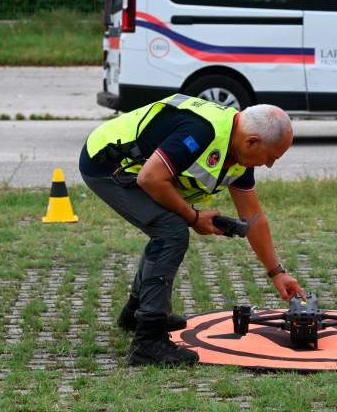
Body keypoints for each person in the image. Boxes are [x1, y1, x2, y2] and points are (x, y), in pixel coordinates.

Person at [78, 94, 306, 367]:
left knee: (169, 227)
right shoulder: (201, 132)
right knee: (171, 230)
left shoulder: (238, 151)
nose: (269, 165)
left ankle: (135, 312)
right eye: (271, 157)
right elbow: (150, 178)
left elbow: (253, 217)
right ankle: (148, 341)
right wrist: (193, 217)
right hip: (107, 163)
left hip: (142, 170)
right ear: (252, 141)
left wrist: (277, 272)